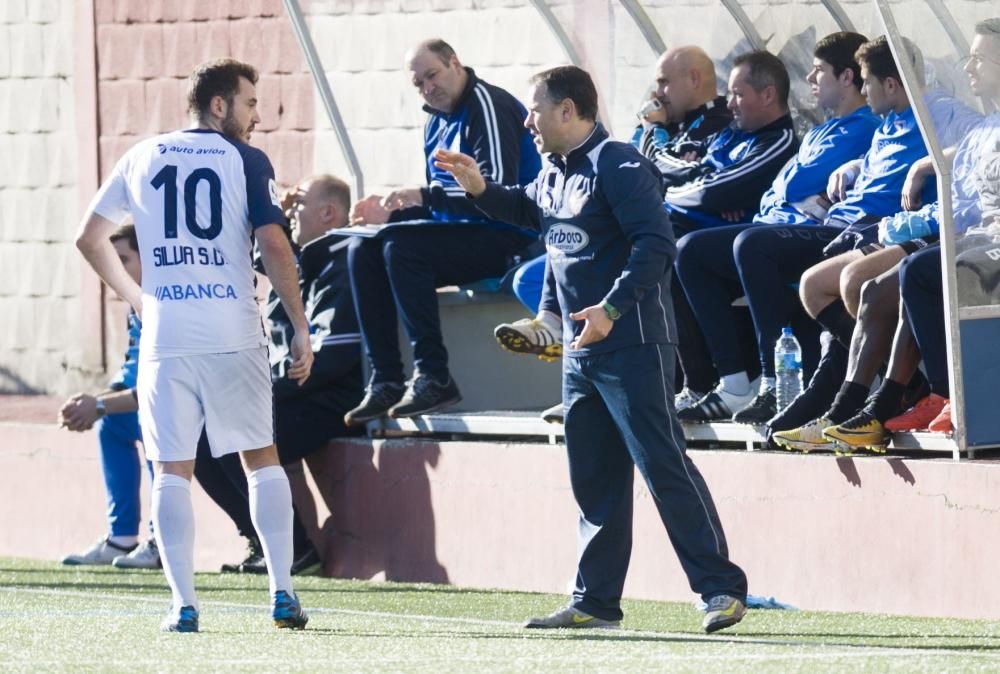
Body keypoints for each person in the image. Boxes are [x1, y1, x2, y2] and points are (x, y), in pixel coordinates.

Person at [436, 65, 749, 634]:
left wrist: (610, 309)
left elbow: (657, 245)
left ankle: (721, 590)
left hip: (632, 342)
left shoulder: (620, 163)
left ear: (567, 110)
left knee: (663, 466)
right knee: (595, 478)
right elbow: (531, 214)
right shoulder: (553, 171)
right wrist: (480, 190)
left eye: (535, 109)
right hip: (580, 353)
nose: (526, 121)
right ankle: (595, 601)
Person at [75, 58, 311, 633]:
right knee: (261, 458)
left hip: (167, 335)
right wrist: (300, 325)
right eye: (250, 104)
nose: (257, 117)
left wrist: (137, 297)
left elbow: (89, 237)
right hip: (232, 331)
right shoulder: (245, 159)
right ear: (219, 105)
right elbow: (275, 245)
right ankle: (282, 592)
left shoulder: (140, 155)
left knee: (171, 470)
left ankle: (183, 605)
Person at [700, 36, 980, 435]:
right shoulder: (888, 121)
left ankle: (856, 393)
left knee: (778, 256)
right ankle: (862, 389)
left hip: (898, 227)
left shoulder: (935, 111)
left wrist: (924, 165)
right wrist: (852, 167)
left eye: (867, 82)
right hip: (857, 227)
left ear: (891, 84)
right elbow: (796, 182)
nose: (864, 92)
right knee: (811, 284)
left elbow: (980, 145)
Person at [781, 21, 1000, 453]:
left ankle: (932, 395)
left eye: (980, 58)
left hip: (973, 236)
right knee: (840, 283)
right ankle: (869, 402)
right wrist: (915, 170)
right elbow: (966, 167)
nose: (968, 66)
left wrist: (916, 218)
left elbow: (975, 200)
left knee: (893, 278)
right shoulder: (985, 125)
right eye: (969, 56)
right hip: (953, 229)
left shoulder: (950, 115)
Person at [492, 45, 734, 420]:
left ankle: (696, 383)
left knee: (676, 255)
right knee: (534, 269)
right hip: (624, 246)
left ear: (695, 79)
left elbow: (675, 174)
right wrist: (477, 189)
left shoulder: (717, 122)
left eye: (664, 83)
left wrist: (655, 132)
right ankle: (553, 324)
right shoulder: (568, 164)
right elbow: (538, 212)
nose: (657, 94)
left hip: (676, 238)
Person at [673, 32, 880, 424]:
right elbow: (775, 193)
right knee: (687, 251)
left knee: (752, 243)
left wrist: (791, 194)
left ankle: (772, 381)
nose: (811, 80)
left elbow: (795, 184)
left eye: (819, 71)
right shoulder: (820, 131)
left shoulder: (864, 126)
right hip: (776, 226)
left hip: (818, 235)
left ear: (848, 77)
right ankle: (732, 383)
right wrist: (789, 195)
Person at [343, 39, 541, 425]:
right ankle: (385, 379)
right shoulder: (435, 119)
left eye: (432, 75)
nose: (427, 88)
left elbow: (494, 191)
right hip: (465, 233)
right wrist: (388, 214)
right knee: (363, 248)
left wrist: (420, 198)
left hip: (510, 234)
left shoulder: (487, 104)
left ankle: (434, 375)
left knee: (401, 248)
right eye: (418, 84)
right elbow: (440, 202)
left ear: (455, 62)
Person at [59, 223, 160, 570]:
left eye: (123, 259)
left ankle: (161, 538)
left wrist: (98, 405)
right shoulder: (137, 304)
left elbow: (159, 387)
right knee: (114, 424)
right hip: (158, 400)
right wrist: (88, 405)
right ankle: (121, 538)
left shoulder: (165, 305)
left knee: (155, 424)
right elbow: (131, 379)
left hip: (201, 408)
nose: (113, 270)